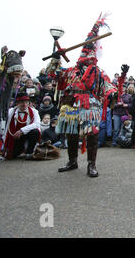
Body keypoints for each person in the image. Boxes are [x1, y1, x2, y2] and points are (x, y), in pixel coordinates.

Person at [46, 14, 119, 178]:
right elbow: (53, 74)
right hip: (71, 105)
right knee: (71, 133)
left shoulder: (98, 72)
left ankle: (91, 165)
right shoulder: (71, 70)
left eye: (90, 57)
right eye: (85, 56)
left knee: (92, 133)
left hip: (89, 107)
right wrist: (55, 59)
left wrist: (115, 89)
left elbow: (108, 86)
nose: (87, 59)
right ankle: (72, 161)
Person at [2, 92, 41, 160]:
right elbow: (3, 123)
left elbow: (37, 124)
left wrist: (21, 131)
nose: (25, 104)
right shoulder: (11, 112)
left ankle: (29, 152)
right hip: (15, 137)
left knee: (35, 131)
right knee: (13, 155)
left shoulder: (34, 111)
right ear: (17, 103)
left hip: (26, 135)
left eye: (26, 102)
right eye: (22, 102)